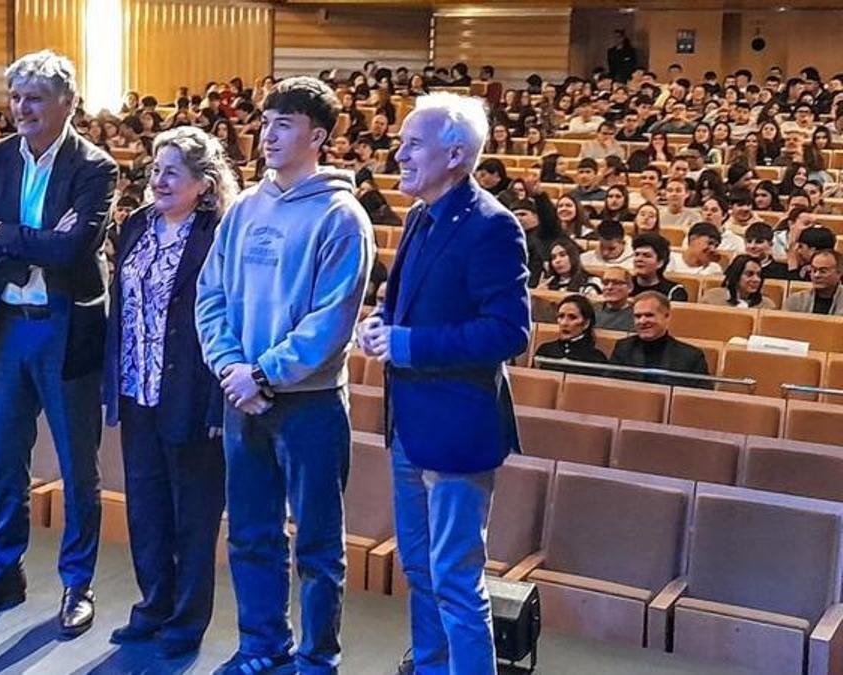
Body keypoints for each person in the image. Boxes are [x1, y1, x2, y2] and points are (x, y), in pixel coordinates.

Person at [196, 76, 373, 675]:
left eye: (285, 125)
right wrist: (230, 367)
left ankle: (317, 658)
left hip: (309, 404)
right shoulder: (245, 207)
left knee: (318, 545)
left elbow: (332, 321)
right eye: (266, 123)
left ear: (317, 137)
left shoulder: (342, 216)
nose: (267, 135)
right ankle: (261, 644)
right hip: (240, 396)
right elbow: (210, 295)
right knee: (251, 534)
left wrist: (264, 375)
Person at [0, 51, 117, 635]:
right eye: (16, 98)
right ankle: (1, 571)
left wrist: (6, 233)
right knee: (2, 463)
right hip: (7, 326)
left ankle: (77, 583)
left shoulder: (95, 167)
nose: (22, 108)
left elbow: (72, 250)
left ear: (68, 103)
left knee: (77, 468)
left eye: (35, 98)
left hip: (66, 330)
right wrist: (27, 250)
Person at [359, 91, 529, 675]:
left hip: (456, 431)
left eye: (413, 144)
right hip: (410, 426)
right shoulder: (419, 216)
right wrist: (382, 322)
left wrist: (408, 344)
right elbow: (407, 305)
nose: (399, 153)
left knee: (455, 579)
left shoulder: (491, 226)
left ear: (455, 155)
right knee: (420, 569)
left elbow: (509, 332)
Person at [103, 127, 236, 659]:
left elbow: (227, 317)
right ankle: (153, 604)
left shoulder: (217, 233)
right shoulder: (138, 223)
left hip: (191, 392)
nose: (159, 181)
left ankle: (186, 619)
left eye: (172, 173)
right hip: (137, 387)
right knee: (147, 506)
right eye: (156, 170)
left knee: (193, 516)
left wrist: (218, 400)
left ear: (203, 183)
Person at [610, 292, 711, 388]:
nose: (642, 321)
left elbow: (701, 396)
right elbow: (610, 387)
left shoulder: (691, 356)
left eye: (649, 315)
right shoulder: (623, 348)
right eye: (637, 316)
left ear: (667, 317)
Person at [536, 294, 608, 369]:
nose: (564, 323)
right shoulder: (545, 350)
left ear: (586, 323)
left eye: (572, 317)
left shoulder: (596, 359)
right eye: (561, 316)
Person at [630, 233, 689, 301]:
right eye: (636, 254)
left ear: (660, 263)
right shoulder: (623, 286)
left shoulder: (674, 291)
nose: (639, 259)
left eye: (646, 256)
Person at [703, 255, 775, 309]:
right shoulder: (712, 298)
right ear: (736, 275)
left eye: (759, 275)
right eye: (749, 274)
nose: (756, 279)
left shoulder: (767, 305)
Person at [784, 250, 843, 315]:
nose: (816, 275)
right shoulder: (796, 301)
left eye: (823, 271)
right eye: (814, 270)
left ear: (839, 273)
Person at [595, 266, 636, 332]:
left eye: (616, 283)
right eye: (605, 283)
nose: (609, 287)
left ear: (630, 287)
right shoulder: (592, 311)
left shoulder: (637, 314)